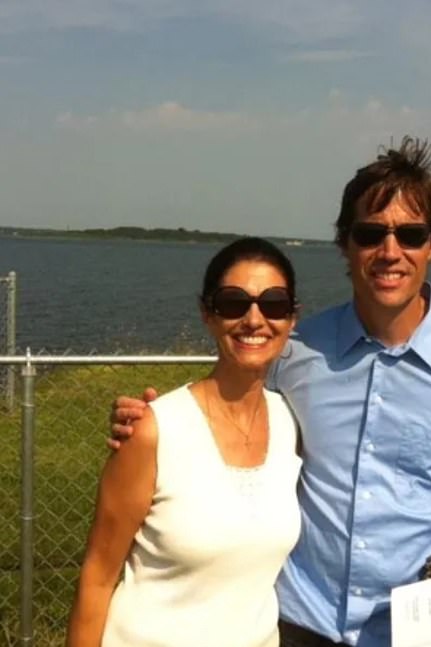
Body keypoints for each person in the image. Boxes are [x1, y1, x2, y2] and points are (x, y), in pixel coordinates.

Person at [110, 137, 431, 647]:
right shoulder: (298, 351)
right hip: (304, 621)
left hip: (425, 626)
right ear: (345, 243)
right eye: (371, 233)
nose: (390, 252)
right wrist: (159, 423)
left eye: (410, 234)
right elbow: (236, 409)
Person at [67, 237, 303, 647]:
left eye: (274, 303)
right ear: (207, 314)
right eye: (233, 303)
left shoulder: (289, 423)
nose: (254, 319)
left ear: (292, 319)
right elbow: (98, 576)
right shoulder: (155, 430)